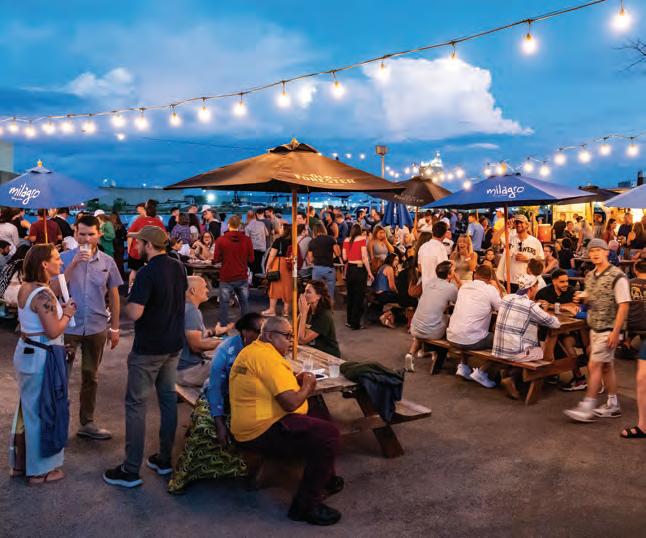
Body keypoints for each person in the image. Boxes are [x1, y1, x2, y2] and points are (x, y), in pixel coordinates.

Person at [230, 316, 342, 525]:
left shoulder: (255, 351)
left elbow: (275, 383)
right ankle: (306, 506)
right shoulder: (267, 357)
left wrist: (295, 381)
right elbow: (290, 403)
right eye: (287, 336)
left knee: (318, 413)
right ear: (270, 335)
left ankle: (326, 478)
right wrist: (308, 386)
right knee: (328, 435)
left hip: (257, 421)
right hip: (260, 430)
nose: (291, 341)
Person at [103, 225, 188, 488]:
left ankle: (130, 470)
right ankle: (164, 459)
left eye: (139, 243)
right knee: (167, 401)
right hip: (173, 344)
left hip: (149, 347)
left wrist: (130, 296)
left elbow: (135, 313)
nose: (136, 247)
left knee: (136, 405)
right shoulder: (178, 267)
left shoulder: (147, 273)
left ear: (149, 245)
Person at [168, 313, 264, 493]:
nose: (262, 335)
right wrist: (219, 421)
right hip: (220, 396)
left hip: (249, 400)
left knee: (261, 425)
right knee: (205, 426)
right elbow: (215, 387)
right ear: (245, 331)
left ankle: (249, 471)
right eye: (258, 331)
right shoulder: (227, 349)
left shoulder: (265, 349)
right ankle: (185, 476)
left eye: (264, 332)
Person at [9, 244, 77, 484]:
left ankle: (20, 464)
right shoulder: (42, 294)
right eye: (57, 258)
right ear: (44, 264)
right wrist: (67, 313)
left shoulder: (26, 288)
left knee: (27, 410)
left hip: (27, 351)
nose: (61, 261)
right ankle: (39, 471)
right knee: (43, 410)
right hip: (40, 355)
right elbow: (53, 330)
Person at [60, 215, 123, 440]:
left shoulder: (107, 261)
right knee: (60, 376)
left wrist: (115, 328)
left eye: (91, 234)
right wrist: (74, 263)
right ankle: (58, 424)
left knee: (91, 375)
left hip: (96, 326)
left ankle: (87, 422)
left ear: (100, 234)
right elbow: (54, 289)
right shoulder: (63, 258)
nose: (86, 239)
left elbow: (114, 295)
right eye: (82, 234)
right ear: (75, 234)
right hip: (68, 326)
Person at [564, 239, 631, 423]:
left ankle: (587, 407)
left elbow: (624, 305)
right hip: (595, 327)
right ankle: (613, 404)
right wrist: (583, 298)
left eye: (598, 250)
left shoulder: (617, 276)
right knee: (606, 367)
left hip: (609, 328)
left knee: (594, 365)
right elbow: (592, 298)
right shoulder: (591, 276)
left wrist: (616, 332)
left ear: (607, 252)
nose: (594, 254)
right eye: (591, 250)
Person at [492, 274, 561, 398]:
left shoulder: (507, 298)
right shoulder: (530, 305)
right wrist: (544, 311)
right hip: (513, 351)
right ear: (531, 288)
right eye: (536, 287)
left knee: (527, 344)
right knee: (544, 354)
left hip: (498, 348)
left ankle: (509, 373)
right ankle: (513, 378)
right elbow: (555, 324)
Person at [447, 265, 503, 388]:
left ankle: (463, 366)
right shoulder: (490, 289)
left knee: (468, 327)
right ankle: (482, 372)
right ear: (489, 279)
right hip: (471, 341)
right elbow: (502, 309)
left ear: (475, 275)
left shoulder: (464, 287)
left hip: (452, 337)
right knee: (504, 343)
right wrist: (496, 287)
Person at [536, 268, 588, 391]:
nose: (565, 284)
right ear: (554, 281)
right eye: (562, 282)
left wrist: (552, 306)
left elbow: (574, 306)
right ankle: (555, 373)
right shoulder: (543, 293)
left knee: (565, 340)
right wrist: (564, 307)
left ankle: (575, 377)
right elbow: (538, 307)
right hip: (546, 330)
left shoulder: (571, 291)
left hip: (568, 329)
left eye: (566, 281)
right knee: (558, 340)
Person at [405, 261, 459, 372]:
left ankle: (411, 353)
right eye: (454, 271)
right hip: (432, 332)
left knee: (426, 323)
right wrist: (457, 280)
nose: (455, 273)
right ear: (449, 274)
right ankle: (439, 353)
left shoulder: (429, 283)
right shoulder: (450, 288)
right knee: (449, 319)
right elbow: (458, 302)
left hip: (415, 327)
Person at [177, 276, 230, 387]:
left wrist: (214, 332)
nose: (207, 290)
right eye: (205, 287)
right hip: (189, 371)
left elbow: (192, 335)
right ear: (193, 290)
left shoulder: (180, 307)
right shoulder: (191, 311)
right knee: (238, 367)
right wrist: (224, 343)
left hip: (176, 369)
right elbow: (196, 346)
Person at [620, 260, 646, 439]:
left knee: (642, 379)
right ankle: (643, 426)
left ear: (635, 269)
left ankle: (643, 426)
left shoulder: (628, 284)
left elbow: (624, 310)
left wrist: (623, 334)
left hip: (635, 329)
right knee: (641, 379)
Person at [213, 215, 253, 325]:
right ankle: (246, 326)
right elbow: (251, 259)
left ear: (228, 225)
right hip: (242, 275)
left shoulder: (221, 240)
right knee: (244, 303)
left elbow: (216, 259)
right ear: (239, 225)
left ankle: (223, 326)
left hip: (226, 275)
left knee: (224, 304)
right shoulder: (247, 240)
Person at [496, 214, 544, 291]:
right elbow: (494, 241)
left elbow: (541, 262)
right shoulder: (509, 238)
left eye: (521, 222)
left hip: (528, 282)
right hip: (510, 281)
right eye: (516, 223)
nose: (518, 225)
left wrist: (528, 260)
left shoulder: (535, 242)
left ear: (527, 225)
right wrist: (504, 227)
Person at [126, 200, 165, 289]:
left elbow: (129, 235)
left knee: (134, 272)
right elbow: (164, 237)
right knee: (152, 273)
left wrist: (129, 249)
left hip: (136, 252)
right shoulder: (158, 222)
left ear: (145, 210)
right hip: (152, 253)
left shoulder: (139, 221)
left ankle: (130, 290)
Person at [297, 280, 341, 357]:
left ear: (318, 296)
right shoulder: (308, 309)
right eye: (304, 291)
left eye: (308, 292)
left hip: (327, 355)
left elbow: (301, 340)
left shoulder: (324, 316)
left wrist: (303, 313)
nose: (304, 295)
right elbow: (294, 330)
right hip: (313, 350)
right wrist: (301, 313)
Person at [343, 224, 374, 330]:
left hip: (350, 269)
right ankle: (355, 323)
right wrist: (369, 272)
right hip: (359, 269)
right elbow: (364, 257)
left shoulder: (346, 240)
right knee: (358, 296)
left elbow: (344, 257)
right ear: (360, 231)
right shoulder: (362, 239)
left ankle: (349, 320)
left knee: (350, 296)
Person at [264, 223, 293, 317]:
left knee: (274, 286)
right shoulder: (294, 240)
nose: (279, 229)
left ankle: (272, 310)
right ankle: (286, 311)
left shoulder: (279, 240)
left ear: (285, 230)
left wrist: (268, 266)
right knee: (287, 287)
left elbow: (272, 254)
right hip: (289, 265)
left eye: (281, 227)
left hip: (279, 264)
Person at [308, 223, 341, 300]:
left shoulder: (312, 242)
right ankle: (329, 306)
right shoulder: (331, 239)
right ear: (324, 229)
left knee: (316, 292)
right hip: (329, 269)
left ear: (314, 231)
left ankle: (318, 306)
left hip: (317, 269)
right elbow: (338, 253)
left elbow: (310, 258)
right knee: (330, 293)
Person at [417, 221, 449, 291]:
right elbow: (444, 269)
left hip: (425, 286)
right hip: (437, 288)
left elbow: (420, 268)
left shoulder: (423, 246)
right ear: (444, 234)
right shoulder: (441, 248)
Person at [372, 252, 401, 328]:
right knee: (404, 300)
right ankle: (385, 315)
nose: (397, 262)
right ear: (391, 259)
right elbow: (392, 286)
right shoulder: (389, 268)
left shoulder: (382, 266)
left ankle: (388, 318)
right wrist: (398, 292)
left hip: (378, 294)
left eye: (398, 260)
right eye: (395, 260)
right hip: (384, 295)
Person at [244, 208, 268, 285]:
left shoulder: (247, 227)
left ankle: (255, 282)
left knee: (253, 266)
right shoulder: (262, 224)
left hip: (253, 248)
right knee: (258, 264)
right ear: (255, 215)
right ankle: (258, 281)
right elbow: (267, 234)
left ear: (247, 217)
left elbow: (247, 239)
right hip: (262, 248)